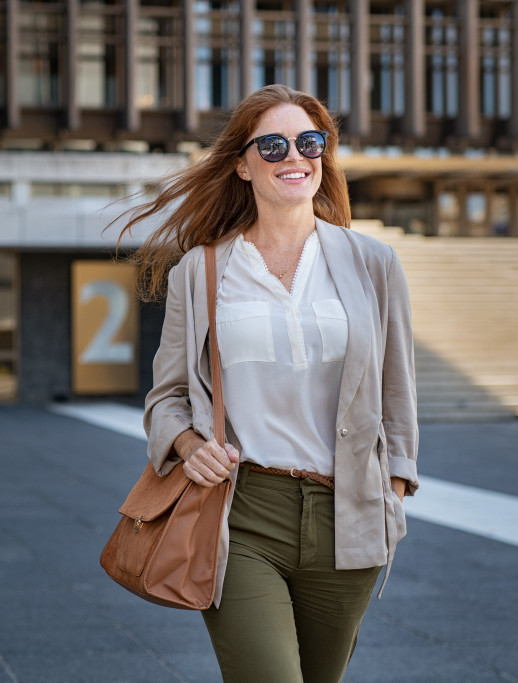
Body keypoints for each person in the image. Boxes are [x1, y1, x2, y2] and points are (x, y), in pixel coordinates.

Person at [117, 84, 419, 683]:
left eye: (310, 142)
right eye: (273, 145)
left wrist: (394, 487)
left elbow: (397, 388)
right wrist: (186, 446)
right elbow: (167, 397)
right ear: (242, 164)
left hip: (348, 515)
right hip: (243, 512)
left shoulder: (372, 262)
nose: (294, 157)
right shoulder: (199, 271)